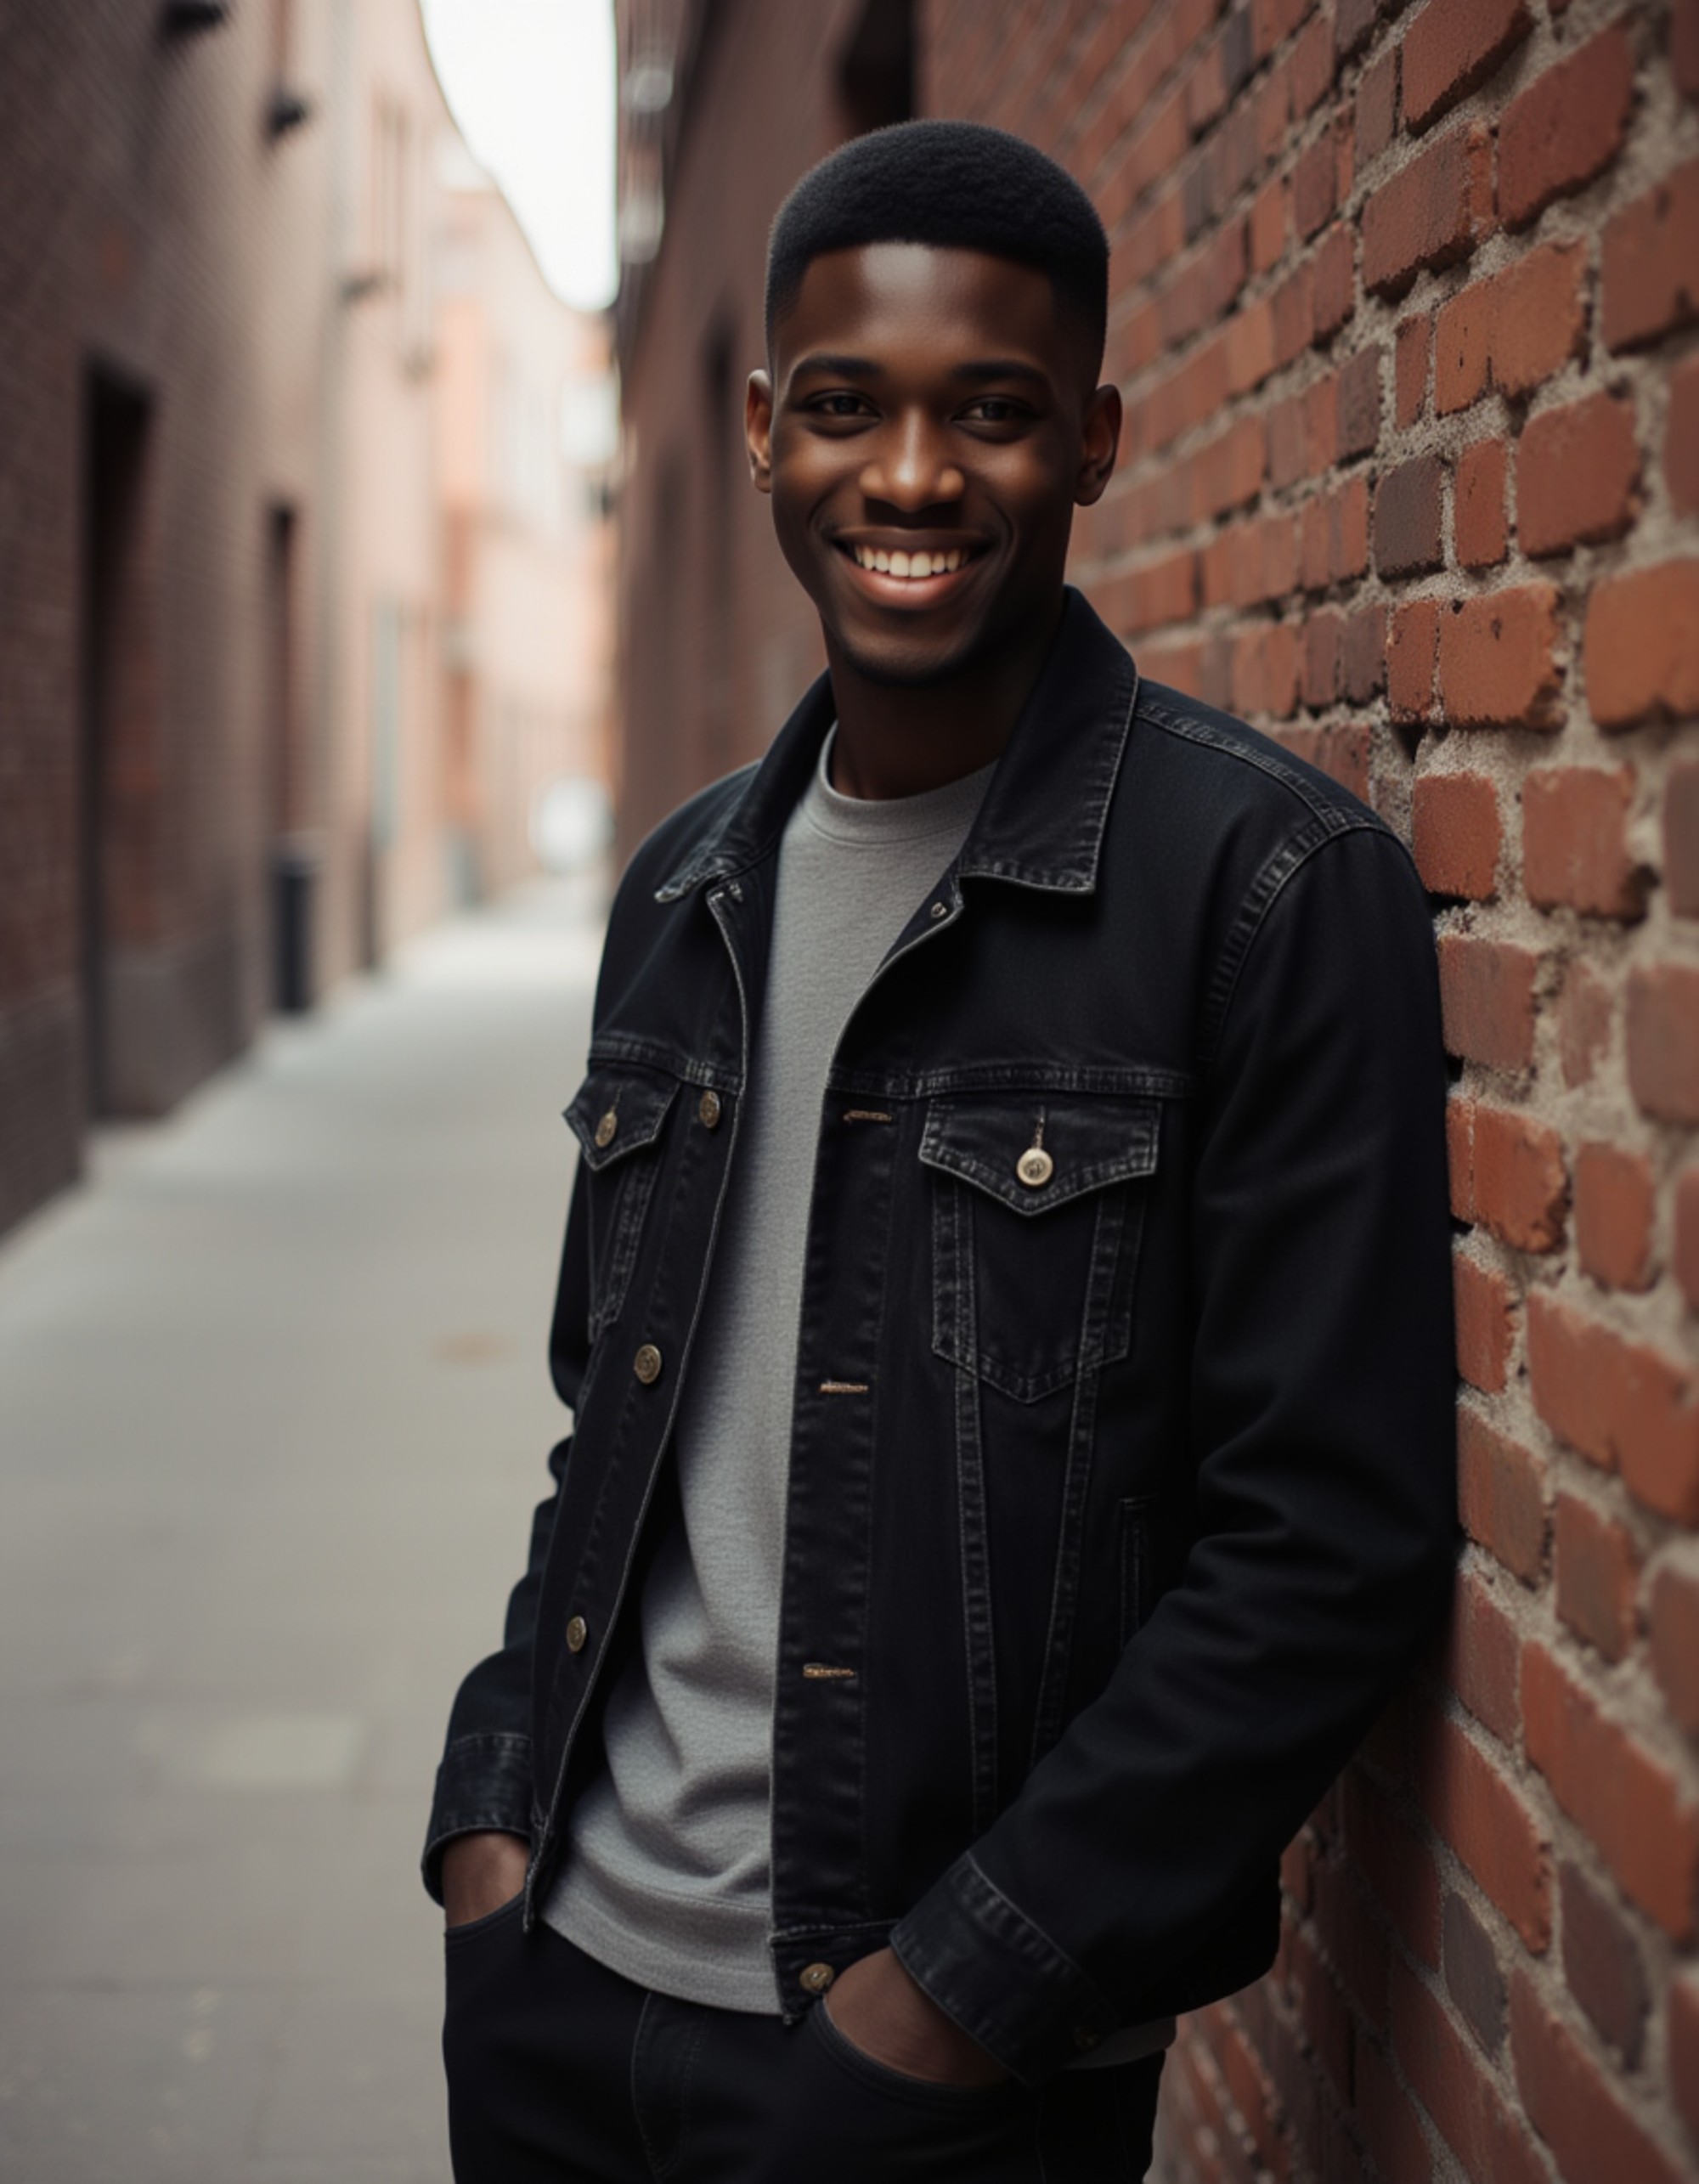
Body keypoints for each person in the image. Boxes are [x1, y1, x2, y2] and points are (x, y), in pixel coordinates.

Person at [426, 119, 1456, 2182]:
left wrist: (946, 2002)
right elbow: (604, 1409)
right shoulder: (680, 889)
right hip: (558, 1993)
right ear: (753, 428)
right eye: (843, 409)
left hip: (921, 2074)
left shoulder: (1255, 887)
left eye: (987, 412)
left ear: (1086, 436)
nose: (907, 478)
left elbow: (1324, 1548)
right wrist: (487, 1828)